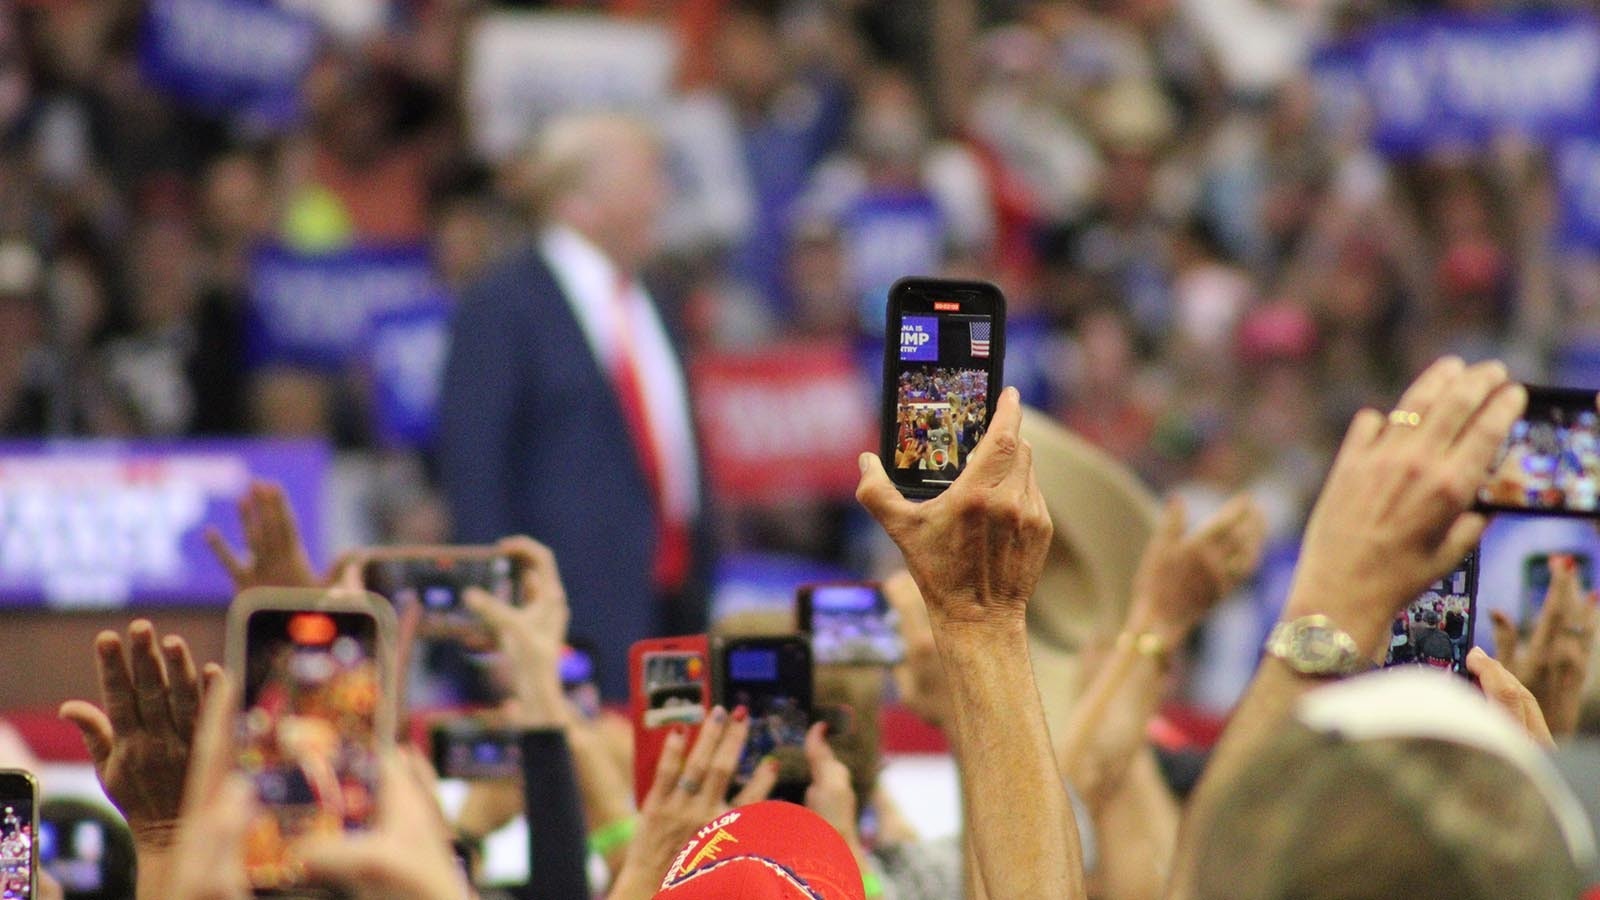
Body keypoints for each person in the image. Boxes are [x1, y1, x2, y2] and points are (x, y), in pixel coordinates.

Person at [439, 113, 705, 698]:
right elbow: (475, 478)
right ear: (581, 202)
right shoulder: (501, 306)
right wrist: (498, 623)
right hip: (564, 624)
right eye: (645, 181)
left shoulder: (655, 298)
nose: (662, 197)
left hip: (669, 609)